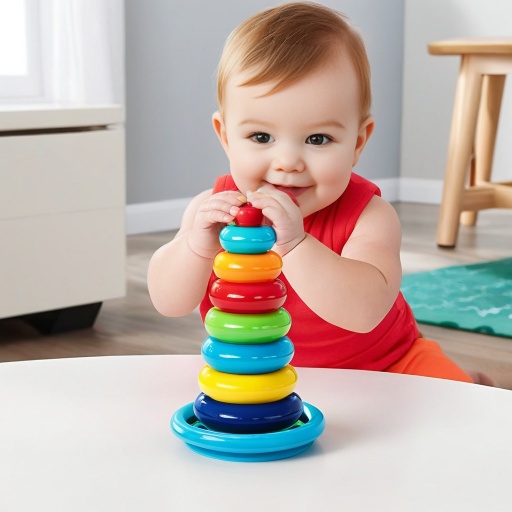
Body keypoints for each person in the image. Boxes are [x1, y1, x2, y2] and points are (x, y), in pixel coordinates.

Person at [148, 1, 474, 383]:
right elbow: (169, 303)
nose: (288, 161)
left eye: (318, 138)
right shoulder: (212, 212)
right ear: (225, 136)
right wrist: (196, 247)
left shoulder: (369, 215)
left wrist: (296, 244)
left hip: (388, 365)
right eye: (261, 136)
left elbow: (363, 313)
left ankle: (475, 380)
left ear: (357, 142)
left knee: (463, 407)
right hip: (262, 372)